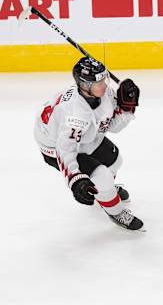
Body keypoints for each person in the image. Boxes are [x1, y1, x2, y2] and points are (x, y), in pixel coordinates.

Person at [34, 57, 144, 231]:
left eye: (103, 79)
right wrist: (75, 179)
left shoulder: (101, 93)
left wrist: (127, 108)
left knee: (115, 161)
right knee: (103, 177)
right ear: (84, 85)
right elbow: (65, 150)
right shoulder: (74, 115)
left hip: (85, 137)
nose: (105, 86)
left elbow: (111, 126)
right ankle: (115, 211)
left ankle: (103, 192)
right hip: (55, 147)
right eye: (98, 82)